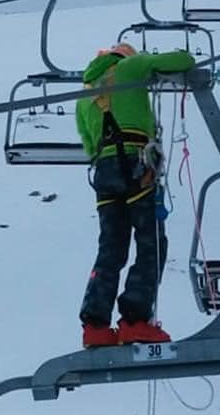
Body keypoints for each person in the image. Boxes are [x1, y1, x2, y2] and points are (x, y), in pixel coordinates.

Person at [76, 40, 196, 347]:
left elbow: (89, 144)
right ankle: (135, 319)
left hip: (103, 172)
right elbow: (183, 59)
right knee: (150, 242)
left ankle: (96, 325)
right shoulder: (131, 67)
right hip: (135, 165)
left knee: (111, 249)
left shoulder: (86, 93)